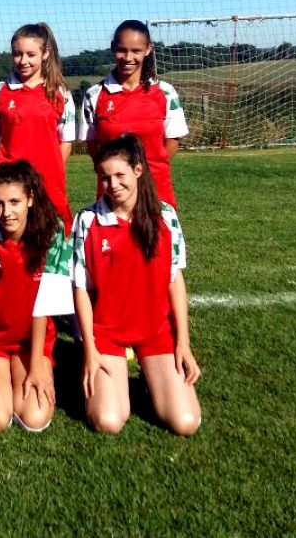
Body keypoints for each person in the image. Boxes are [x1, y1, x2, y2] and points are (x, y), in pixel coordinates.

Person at [71, 134, 201, 435]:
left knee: (185, 422)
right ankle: (115, 378)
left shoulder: (165, 216)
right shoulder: (87, 221)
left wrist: (183, 342)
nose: (112, 184)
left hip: (155, 331)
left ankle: (152, 377)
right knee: (109, 421)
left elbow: (175, 280)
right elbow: (81, 289)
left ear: (138, 170)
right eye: (105, 177)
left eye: (120, 175)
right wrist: (90, 349)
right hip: (106, 334)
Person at [0, 162, 73, 432]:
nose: (6, 212)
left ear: (30, 199)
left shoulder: (53, 230)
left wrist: (36, 367)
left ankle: (24, 369)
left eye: (15, 202)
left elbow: (45, 305)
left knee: (35, 418)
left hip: (32, 340)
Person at [79, 19, 189, 208]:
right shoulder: (94, 95)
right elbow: (92, 145)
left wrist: (143, 173)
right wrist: (115, 175)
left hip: (156, 188)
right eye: (122, 50)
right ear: (113, 48)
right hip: (113, 191)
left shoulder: (165, 92)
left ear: (148, 50)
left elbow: (172, 141)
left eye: (136, 51)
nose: (128, 57)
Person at [0, 23, 76, 234]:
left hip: (48, 185)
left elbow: (66, 142)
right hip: (9, 186)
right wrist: (1, 171)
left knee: (49, 242)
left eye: (30, 54)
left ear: (45, 53)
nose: (23, 61)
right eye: (18, 54)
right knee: (7, 242)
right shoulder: (0, 90)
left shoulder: (60, 92)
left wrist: (47, 170)